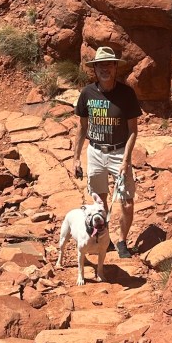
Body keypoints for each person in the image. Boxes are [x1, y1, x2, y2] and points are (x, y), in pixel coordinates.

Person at [73, 46, 142, 258]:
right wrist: (76, 158)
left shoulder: (127, 94)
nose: (105, 69)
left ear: (115, 67)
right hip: (95, 152)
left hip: (119, 152)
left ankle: (122, 242)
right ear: (95, 69)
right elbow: (82, 127)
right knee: (99, 201)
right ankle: (106, 239)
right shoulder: (87, 93)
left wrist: (126, 160)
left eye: (109, 65)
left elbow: (133, 130)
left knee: (126, 201)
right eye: (100, 66)